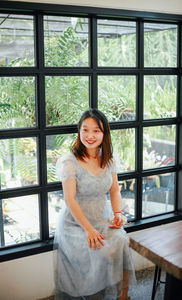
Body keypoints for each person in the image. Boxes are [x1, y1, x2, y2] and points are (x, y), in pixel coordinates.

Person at [54, 109, 135, 300]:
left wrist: (118, 213)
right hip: (76, 223)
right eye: (85, 130)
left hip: (102, 216)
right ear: (79, 132)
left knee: (121, 241)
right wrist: (89, 230)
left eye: (96, 131)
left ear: (104, 133)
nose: (90, 136)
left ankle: (123, 295)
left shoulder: (109, 158)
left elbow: (114, 190)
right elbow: (70, 200)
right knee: (98, 252)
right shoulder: (69, 161)